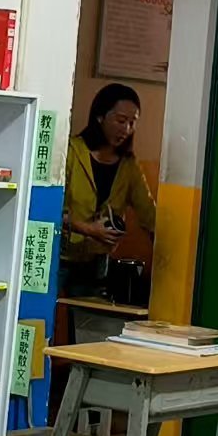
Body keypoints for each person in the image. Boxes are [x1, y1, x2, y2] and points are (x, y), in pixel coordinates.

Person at [62, 83, 154, 297]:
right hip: (60, 255)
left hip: (97, 261)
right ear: (100, 116)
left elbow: (149, 214)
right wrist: (88, 229)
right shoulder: (72, 152)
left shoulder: (129, 166)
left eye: (132, 122)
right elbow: (50, 209)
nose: (126, 129)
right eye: (121, 121)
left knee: (88, 315)